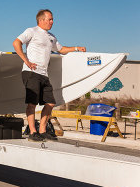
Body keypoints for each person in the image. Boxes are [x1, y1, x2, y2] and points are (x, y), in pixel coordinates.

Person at [13, 9, 86, 142]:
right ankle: (33, 132)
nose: (52, 22)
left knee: (51, 103)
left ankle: (42, 130)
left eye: (52, 19)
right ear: (41, 20)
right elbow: (16, 43)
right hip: (31, 72)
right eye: (50, 19)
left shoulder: (51, 37)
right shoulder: (31, 31)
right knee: (32, 103)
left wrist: (76, 48)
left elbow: (61, 49)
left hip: (44, 74)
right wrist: (26, 61)